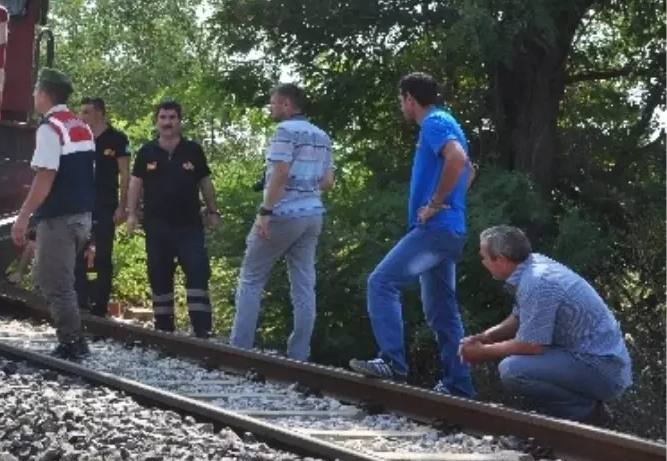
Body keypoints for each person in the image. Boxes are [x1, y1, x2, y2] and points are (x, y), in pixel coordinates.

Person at [350, 73, 476, 398]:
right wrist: (453, 204)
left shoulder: (434, 121)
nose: (400, 107)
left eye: (400, 101)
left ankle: (392, 363)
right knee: (442, 311)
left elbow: (459, 160)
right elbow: (469, 170)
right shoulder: (447, 122)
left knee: (382, 283)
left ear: (409, 98)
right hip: (449, 230)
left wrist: (437, 203)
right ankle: (458, 386)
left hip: (434, 230)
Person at [462, 225, 631, 426]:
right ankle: (576, 416)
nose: (483, 262)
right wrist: (487, 336)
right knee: (515, 366)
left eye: (484, 257)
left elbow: (530, 345)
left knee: (513, 369)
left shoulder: (536, 282)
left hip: (601, 368)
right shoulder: (532, 268)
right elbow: (520, 316)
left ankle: (588, 417)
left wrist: (482, 352)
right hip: (592, 361)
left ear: (501, 259)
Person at [230, 83, 334, 360]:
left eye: (273, 103)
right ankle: (300, 354)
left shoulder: (284, 131)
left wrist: (265, 212)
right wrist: (306, 185)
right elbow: (327, 182)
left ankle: (239, 350)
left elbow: (279, 173)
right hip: (313, 215)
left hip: (283, 214)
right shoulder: (322, 136)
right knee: (303, 284)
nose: (271, 107)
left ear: (287, 104)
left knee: (251, 278)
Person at [10, 69, 96, 360]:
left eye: (36, 91)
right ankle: (74, 339)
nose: (34, 96)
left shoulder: (50, 128)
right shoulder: (79, 125)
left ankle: (72, 343)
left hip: (59, 218)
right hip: (82, 215)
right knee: (55, 278)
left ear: (45, 94)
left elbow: (45, 177)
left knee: (56, 283)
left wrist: (23, 217)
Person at [126, 100, 220, 337]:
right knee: (159, 274)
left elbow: (205, 183)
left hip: (189, 225)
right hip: (157, 225)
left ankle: (202, 329)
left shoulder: (193, 151)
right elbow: (135, 184)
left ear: (180, 121)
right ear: (157, 121)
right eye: (163, 118)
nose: (167, 123)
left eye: (172, 118)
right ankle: (164, 330)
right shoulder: (146, 152)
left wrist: (213, 212)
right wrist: (131, 214)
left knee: (198, 272)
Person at [75, 97, 130, 317]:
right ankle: (81, 301)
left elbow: (125, 174)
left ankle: (100, 304)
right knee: (79, 254)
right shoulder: (80, 139)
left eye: (87, 112)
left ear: (100, 114)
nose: (82, 117)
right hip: (81, 205)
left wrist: (123, 207)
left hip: (106, 205)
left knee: (102, 256)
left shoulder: (117, 139)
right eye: (81, 112)